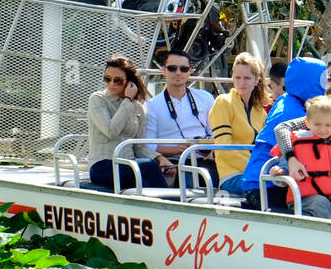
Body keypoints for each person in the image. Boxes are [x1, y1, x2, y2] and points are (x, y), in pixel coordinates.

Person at [241, 56, 329, 210]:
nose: (326, 84)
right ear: (310, 81)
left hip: (263, 182)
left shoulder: (287, 100)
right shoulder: (293, 112)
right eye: (322, 79)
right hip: (265, 186)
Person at [270, 96, 331, 224]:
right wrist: (280, 172)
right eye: (317, 124)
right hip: (304, 199)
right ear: (307, 122)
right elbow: (286, 169)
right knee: (321, 202)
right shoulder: (296, 140)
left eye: (328, 125)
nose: (323, 129)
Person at [87, 55, 165, 191]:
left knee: (145, 184)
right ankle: (171, 206)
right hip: (103, 165)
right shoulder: (97, 100)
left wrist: (159, 158)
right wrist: (128, 99)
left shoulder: (137, 107)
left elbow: (139, 147)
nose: (111, 84)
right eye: (107, 79)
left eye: (118, 80)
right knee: (150, 166)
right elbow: (111, 131)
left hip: (130, 164)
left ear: (130, 82)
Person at [145, 48, 216, 187]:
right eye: (172, 68)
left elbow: (215, 132)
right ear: (164, 71)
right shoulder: (152, 105)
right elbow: (149, 145)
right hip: (175, 161)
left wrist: (213, 149)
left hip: (206, 159)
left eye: (183, 69)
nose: (178, 72)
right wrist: (176, 149)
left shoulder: (206, 97)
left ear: (189, 72)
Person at [209, 51, 269, 196]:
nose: (241, 83)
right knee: (267, 191)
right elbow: (224, 147)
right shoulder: (223, 102)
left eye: (247, 78)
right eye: (237, 77)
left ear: (256, 80)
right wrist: (256, 168)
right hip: (231, 176)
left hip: (255, 173)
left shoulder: (259, 110)